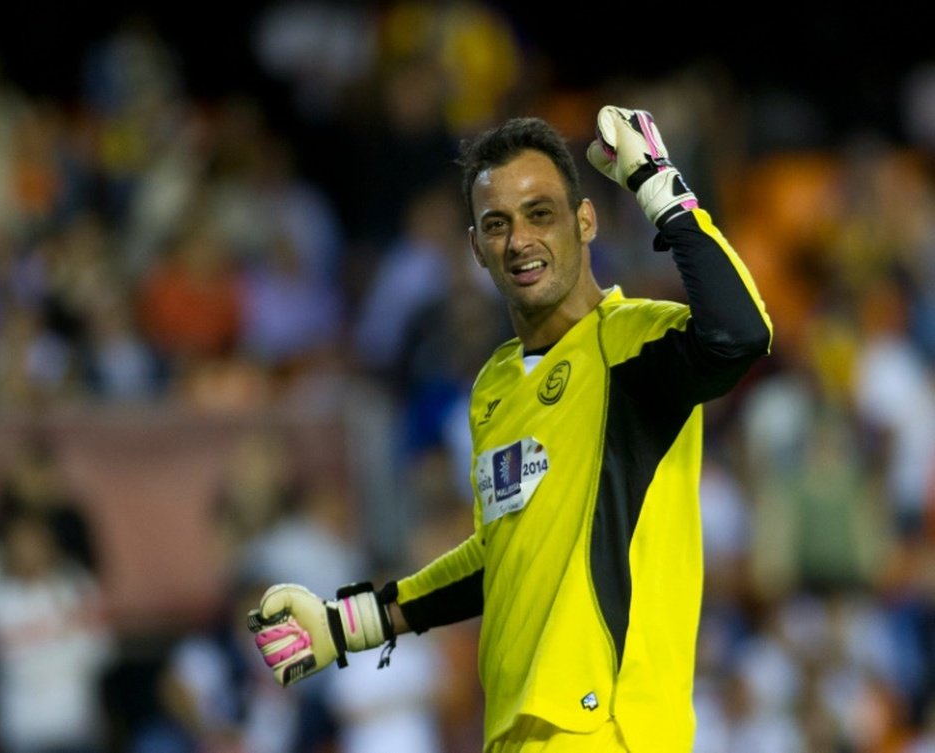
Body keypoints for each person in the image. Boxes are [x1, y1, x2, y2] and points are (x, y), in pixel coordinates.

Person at [249, 105, 773, 752]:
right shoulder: (494, 386)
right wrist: (349, 622)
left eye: (541, 213)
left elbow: (741, 334)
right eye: (497, 224)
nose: (520, 238)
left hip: (610, 729)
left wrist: (658, 184)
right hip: (513, 734)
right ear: (476, 248)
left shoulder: (632, 343)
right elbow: (498, 556)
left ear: (585, 220)